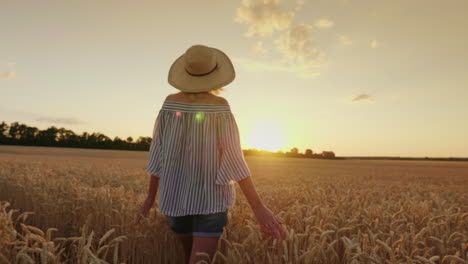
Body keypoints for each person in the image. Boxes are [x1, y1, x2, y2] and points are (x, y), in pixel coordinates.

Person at [134, 44, 285, 264]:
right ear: (215, 75)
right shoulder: (220, 107)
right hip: (211, 200)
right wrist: (259, 208)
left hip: (174, 199)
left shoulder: (169, 104)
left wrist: (150, 197)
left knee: (189, 258)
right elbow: (234, 159)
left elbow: (157, 153)